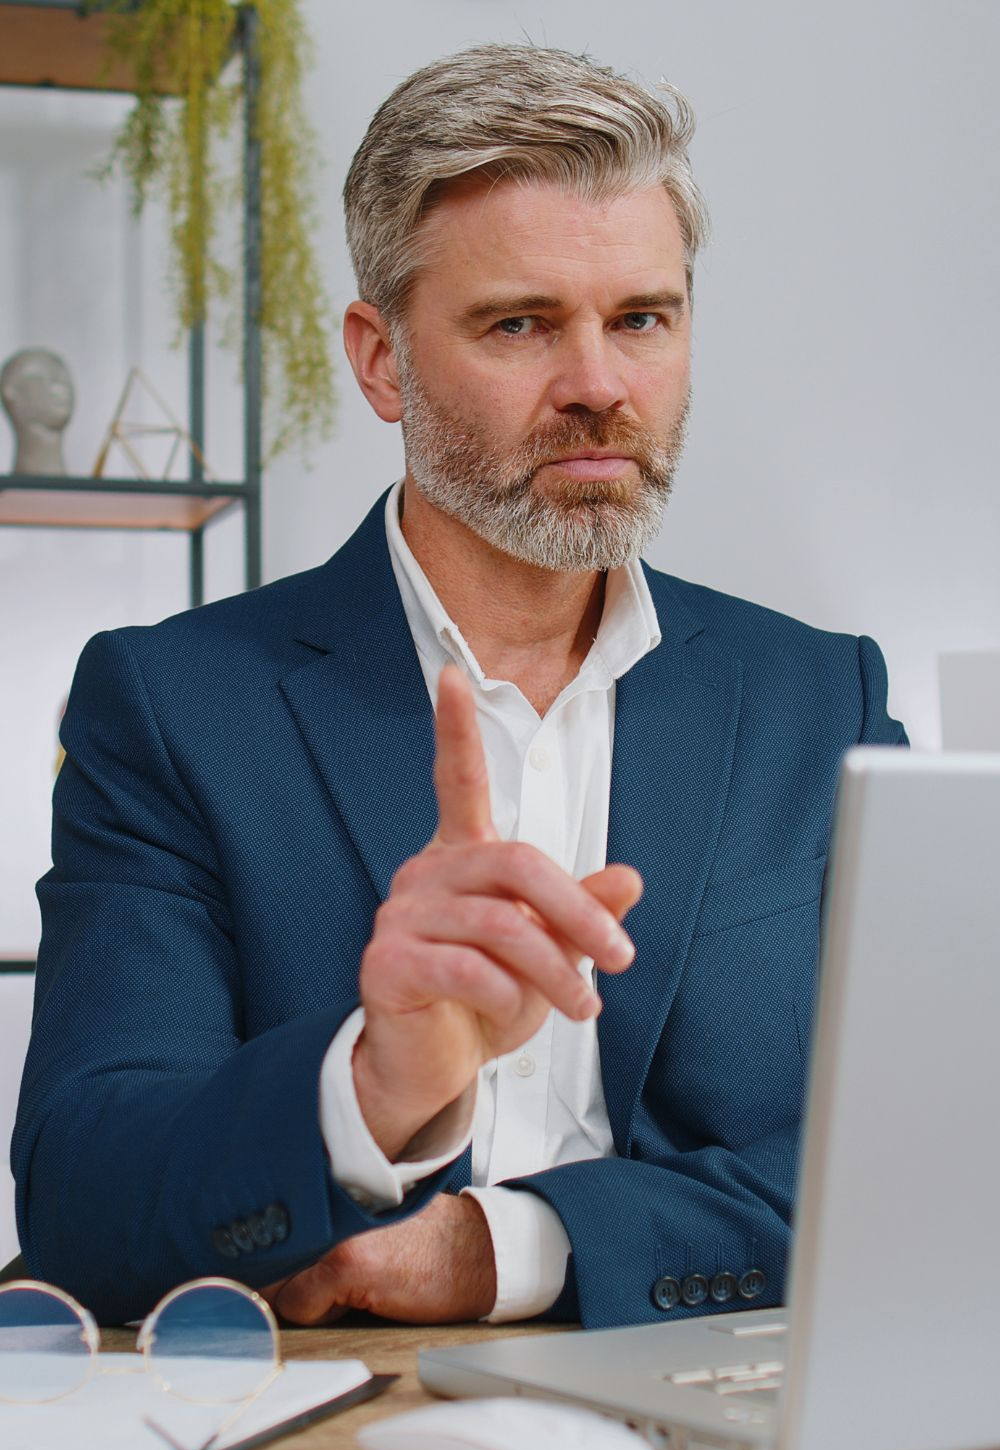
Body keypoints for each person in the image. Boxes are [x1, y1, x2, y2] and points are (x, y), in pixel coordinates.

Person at [12, 43, 906, 1329]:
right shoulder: (168, 707)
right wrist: (368, 1088)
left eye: (640, 319)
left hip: (735, 1391)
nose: (598, 385)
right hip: (335, 1424)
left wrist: (503, 1248)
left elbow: (914, 1157)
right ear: (380, 361)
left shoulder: (825, 702)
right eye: (520, 324)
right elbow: (85, 1198)